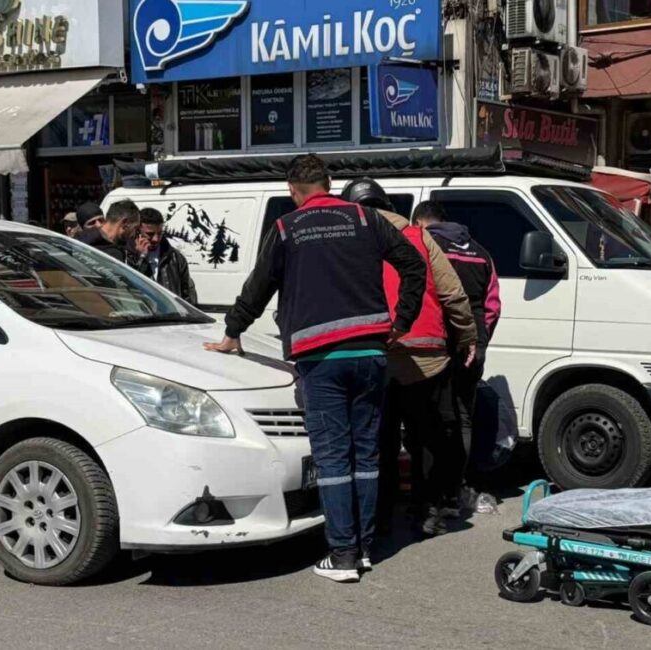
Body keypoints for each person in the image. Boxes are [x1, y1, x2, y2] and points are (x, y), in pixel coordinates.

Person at [203, 155, 426, 583]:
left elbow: (259, 286)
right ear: (329, 183)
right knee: (367, 454)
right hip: (370, 354)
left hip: (321, 358)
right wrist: (403, 320)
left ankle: (341, 556)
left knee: (332, 458)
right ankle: (363, 548)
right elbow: (414, 264)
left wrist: (233, 333)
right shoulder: (366, 220)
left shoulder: (288, 228)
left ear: (293, 190)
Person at [339, 181, 477, 538]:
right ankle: (426, 512)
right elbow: (453, 294)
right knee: (426, 438)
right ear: (386, 204)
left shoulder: (346, 238)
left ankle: (379, 515)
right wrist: (467, 337)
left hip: (374, 352)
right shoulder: (418, 236)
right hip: (425, 356)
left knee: (377, 439)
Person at [412, 201, 503, 508]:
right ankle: (457, 489)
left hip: (438, 342)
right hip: (474, 344)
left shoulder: (426, 244)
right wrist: (481, 340)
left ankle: (433, 492)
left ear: (422, 223)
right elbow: (492, 306)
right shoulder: (481, 251)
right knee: (464, 417)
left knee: (432, 418)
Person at [131, 207, 198, 305]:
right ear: (137, 232)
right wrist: (141, 258)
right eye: (150, 234)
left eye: (160, 233)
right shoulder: (128, 255)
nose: (155, 239)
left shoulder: (175, 258)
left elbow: (188, 293)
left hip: (171, 316)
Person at [76, 200, 140, 263]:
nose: (134, 233)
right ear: (125, 223)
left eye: (100, 220)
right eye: (134, 228)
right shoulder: (114, 255)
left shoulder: (76, 243)